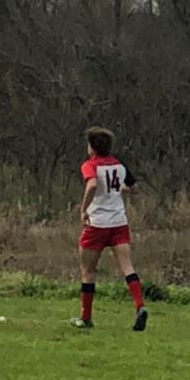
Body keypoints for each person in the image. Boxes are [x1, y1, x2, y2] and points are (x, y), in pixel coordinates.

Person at [70, 126, 147, 332]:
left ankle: (86, 318)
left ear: (92, 147)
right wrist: (121, 189)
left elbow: (92, 185)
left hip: (97, 224)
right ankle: (140, 305)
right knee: (127, 267)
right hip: (119, 223)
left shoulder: (90, 165)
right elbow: (135, 189)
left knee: (88, 270)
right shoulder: (119, 166)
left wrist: (83, 209)